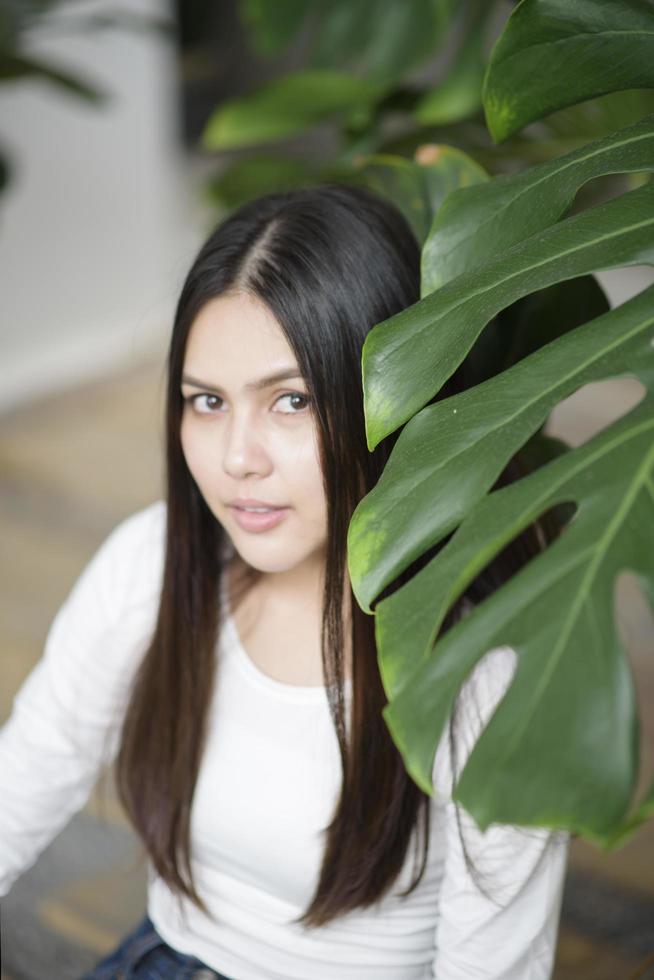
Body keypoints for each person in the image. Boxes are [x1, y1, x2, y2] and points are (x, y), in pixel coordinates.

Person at [0, 184, 569, 979]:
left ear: (396, 401)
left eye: (291, 400)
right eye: (206, 401)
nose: (237, 458)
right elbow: (30, 769)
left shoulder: (483, 672)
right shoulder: (152, 562)